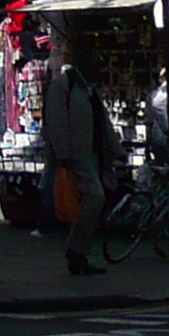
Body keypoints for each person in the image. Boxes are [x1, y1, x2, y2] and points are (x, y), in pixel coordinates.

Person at [43, 33, 111, 277]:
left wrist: (115, 151)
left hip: (90, 154)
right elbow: (56, 120)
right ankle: (76, 250)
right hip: (75, 155)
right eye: (93, 60)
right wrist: (62, 154)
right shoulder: (65, 84)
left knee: (93, 199)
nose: (98, 65)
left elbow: (103, 123)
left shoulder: (87, 87)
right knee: (95, 197)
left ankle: (79, 253)